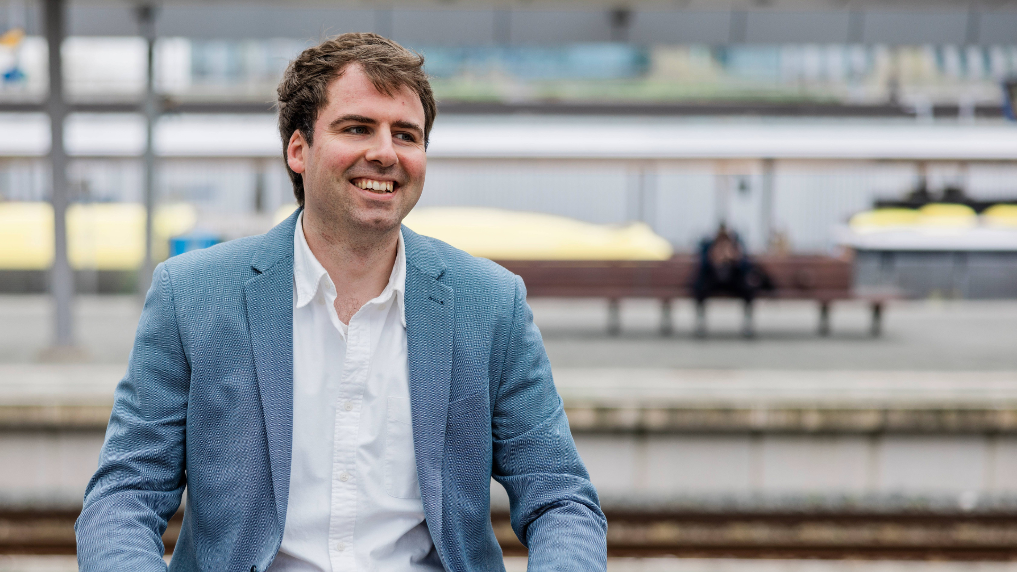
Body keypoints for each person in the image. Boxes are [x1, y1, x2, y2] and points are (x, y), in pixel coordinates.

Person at [75, 33, 606, 572]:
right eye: (357, 128)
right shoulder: (192, 297)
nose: (385, 152)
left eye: (406, 135)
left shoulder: (491, 302)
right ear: (298, 149)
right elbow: (122, 499)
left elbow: (561, 498)